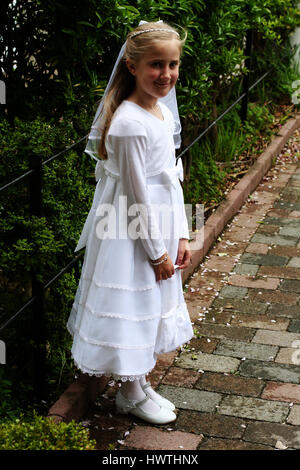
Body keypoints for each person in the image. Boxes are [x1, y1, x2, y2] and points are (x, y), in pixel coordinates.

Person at [67, 20, 194, 425]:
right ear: (132, 66)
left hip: (161, 222)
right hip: (131, 233)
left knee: (150, 304)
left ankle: (137, 385)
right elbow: (136, 195)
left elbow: (171, 181)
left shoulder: (157, 113)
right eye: (157, 64)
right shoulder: (127, 124)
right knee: (134, 301)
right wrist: (156, 251)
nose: (167, 74)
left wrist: (184, 231)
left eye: (173, 64)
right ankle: (130, 392)